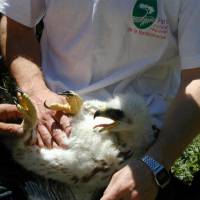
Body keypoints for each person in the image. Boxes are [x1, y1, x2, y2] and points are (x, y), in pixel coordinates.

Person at [0, 1, 200, 200]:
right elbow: (15, 27)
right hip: (45, 128)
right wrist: (36, 91)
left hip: (135, 149)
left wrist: (154, 165)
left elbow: (196, 78)